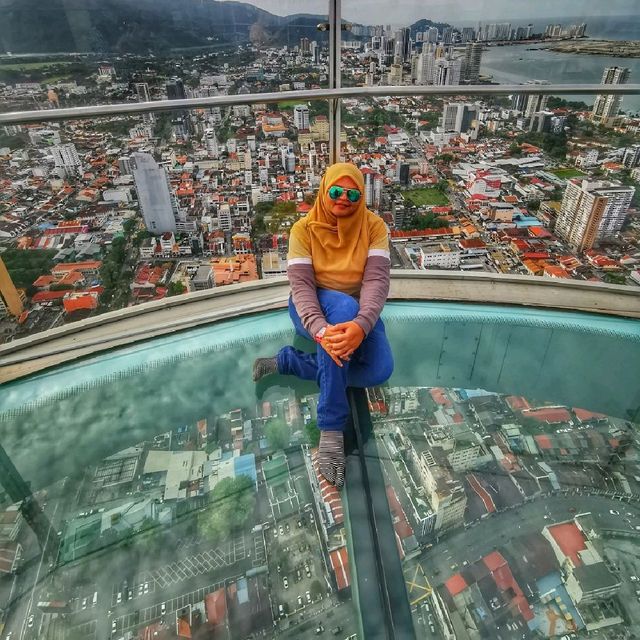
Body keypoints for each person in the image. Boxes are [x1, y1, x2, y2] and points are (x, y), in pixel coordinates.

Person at [253, 162, 394, 489]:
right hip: (310, 311)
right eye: (335, 191)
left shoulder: (374, 228)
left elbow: (376, 280)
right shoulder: (303, 229)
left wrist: (361, 325)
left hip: (358, 314)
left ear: (361, 197)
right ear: (323, 191)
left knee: (380, 370)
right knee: (342, 307)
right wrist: (319, 329)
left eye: (352, 193)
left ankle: (288, 361)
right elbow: (301, 286)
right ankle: (331, 430)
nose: (343, 198)